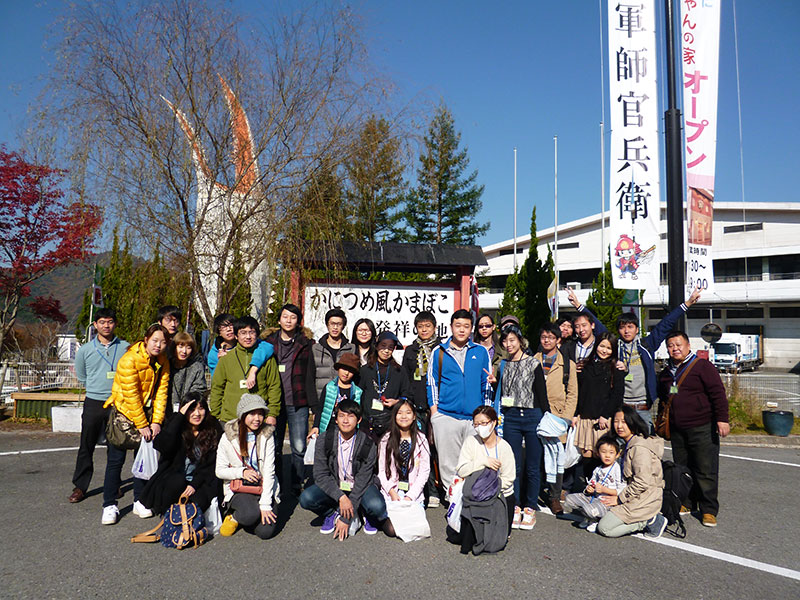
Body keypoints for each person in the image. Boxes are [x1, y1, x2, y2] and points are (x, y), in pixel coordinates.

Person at [568, 286, 702, 430]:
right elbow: (598, 325)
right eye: (622, 327)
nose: (626, 331)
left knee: (645, 444)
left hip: (643, 408)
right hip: (620, 407)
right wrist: (578, 305)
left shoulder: (646, 345)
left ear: (637, 329)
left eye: (630, 327)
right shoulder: (615, 346)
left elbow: (666, 324)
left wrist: (687, 303)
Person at [101, 323, 171, 525]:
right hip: (124, 413)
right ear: (146, 339)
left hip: (147, 415)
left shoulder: (162, 361)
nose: (158, 345)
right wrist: (142, 424)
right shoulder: (129, 359)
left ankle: (140, 500)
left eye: (163, 342)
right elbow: (131, 395)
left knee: (143, 460)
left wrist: (157, 421)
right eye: (155, 340)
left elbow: (161, 393)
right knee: (115, 461)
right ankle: (109, 504)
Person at [658, 331, 729, 527]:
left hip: (702, 426)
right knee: (683, 468)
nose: (675, 348)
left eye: (678, 344)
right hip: (678, 429)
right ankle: (687, 503)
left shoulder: (702, 366)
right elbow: (663, 399)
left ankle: (708, 510)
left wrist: (722, 419)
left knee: (705, 469)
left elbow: (718, 393)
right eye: (671, 345)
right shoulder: (666, 373)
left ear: (688, 346)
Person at [299, 399, 388, 539]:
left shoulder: (368, 444)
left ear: (358, 420)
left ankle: (364, 513)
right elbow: (320, 475)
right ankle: (331, 513)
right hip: (336, 484)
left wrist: (346, 518)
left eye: (351, 416)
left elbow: (363, 480)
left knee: (377, 507)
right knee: (306, 498)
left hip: (360, 486)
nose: (345, 421)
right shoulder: (324, 440)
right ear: (336, 419)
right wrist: (341, 498)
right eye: (341, 416)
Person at [489, 323, 548, 531]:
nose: (508, 344)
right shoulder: (503, 365)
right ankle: (515, 506)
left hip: (532, 415)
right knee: (513, 465)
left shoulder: (533, 363)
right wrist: (494, 382)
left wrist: (546, 418)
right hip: (511, 417)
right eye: (504, 341)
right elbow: (502, 393)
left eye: (512, 339)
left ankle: (530, 507)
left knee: (533, 465)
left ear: (520, 340)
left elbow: (542, 394)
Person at [69, 308, 130, 504]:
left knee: (116, 446)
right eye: (102, 322)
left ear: (115, 324)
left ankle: (114, 484)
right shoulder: (86, 349)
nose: (106, 325)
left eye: (110, 322)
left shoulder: (126, 348)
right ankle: (80, 486)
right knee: (86, 445)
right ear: (95, 325)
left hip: (118, 402)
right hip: (94, 402)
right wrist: (96, 388)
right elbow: (82, 375)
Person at [427, 309, 490, 496]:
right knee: (447, 463)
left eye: (466, 326)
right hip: (446, 416)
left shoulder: (481, 351)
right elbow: (431, 383)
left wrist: (485, 414)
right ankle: (452, 498)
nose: (462, 330)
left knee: (474, 460)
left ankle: (469, 496)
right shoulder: (439, 351)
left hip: (474, 418)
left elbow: (485, 382)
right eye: (458, 326)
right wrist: (435, 413)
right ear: (451, 327)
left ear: (471, 329)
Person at [140, 391, 223, 516]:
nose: (197, 414)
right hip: (175, 477)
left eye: (201, 409)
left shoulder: (213, 429)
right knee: (176, 482)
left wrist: (194, 484)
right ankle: (169, 517)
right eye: (191, 409)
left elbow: (212, 464)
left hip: (200, 479)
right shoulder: (177, 425)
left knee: (197, 504)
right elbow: (162, 445)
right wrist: (179, 416)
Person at [264, 304, 316, 495]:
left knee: (299, 446)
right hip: (273, 402)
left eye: (293, 317)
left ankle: (297, 482)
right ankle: (276, 481)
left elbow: (312, 373)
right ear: (279, 320)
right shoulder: (267, 343)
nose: (288, 320)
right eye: (285, 317)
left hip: (297, 400)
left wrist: (313, 404)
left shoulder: (306, 343)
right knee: (274, 444)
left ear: (298, 321)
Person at [215, 394, 280, 540]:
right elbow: (219, 470)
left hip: (262, 486)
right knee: (250, 514)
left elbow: (269, 471)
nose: (257, 418)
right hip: (239, 488)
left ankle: (249, 516)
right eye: (252, 413)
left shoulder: (267, 435)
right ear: (242, 414)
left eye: (260, 414)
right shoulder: (228, 436)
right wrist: (241, 472)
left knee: (265, 532)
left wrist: (265, 505)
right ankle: (236, 515)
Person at [597, 406, 666, 539]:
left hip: (646, 498)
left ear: (633, 422)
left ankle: (649, 521)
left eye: (624, 422)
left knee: (605, 528)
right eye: (616, 421)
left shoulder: (639, 448)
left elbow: (642, 482)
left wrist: (619, 499)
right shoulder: (628, 443)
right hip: (634, 494)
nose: (619, 426)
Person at [454, 406, 516, 554]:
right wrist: (483, 461)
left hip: (500, 496)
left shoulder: (504, 447)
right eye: (476, 424)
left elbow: (509, 478)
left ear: (493, 422)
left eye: (484, 423)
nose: (480, 427)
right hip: (474, 495)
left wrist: (489, 491)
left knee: (494, 540)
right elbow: (462, 469)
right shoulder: (471, 442)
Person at [533, 322, 578, 513]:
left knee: (556, 457)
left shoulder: (568, 364)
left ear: (558, 340)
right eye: (544, 337)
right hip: (536, 413)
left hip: (557, 415)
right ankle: (535, 491)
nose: (547, 341)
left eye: (551, 337)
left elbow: (572, 393)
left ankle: (554, 496)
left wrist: (566, 418)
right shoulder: (531, 360)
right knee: (537, 455)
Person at [210, 316, 281, 424]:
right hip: (230, 419)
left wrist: (272, 414)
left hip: (258, 419)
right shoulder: (226, 359)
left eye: (251, 332)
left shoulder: (267, 358)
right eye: (243, 333)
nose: (248, 337)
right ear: (236, 336)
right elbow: (217, 388)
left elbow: (274, 386)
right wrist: (216, 414)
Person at [378, 400, 431, 538]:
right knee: (392, 530)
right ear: (394, 416)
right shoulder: (386, 439)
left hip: (413, 493)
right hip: (392, 492)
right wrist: (392, 493)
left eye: (408, 413)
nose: (404, 416)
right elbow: (382, 471)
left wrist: (410, 496)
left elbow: (424, 471)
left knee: (416, 528)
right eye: (399, 413)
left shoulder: (421, 439)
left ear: (414, 416)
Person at [563, 434, 626, 531]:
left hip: (608, 502)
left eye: (611, 452)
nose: (607, 455)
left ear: (617, 454)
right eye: (603, 452)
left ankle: (595, 520)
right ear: (597, 453)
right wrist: (589, 490)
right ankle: (589, 515)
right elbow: (591, 483)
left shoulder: (617, 469)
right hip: (595, 498)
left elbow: (622, 489)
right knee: (569, 499)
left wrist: (605, 490)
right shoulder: (598, 469)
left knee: (588, 510)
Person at [360, 331, 411, 440]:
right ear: (376, 346)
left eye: (390, 347)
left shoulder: (400, 371)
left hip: (390, 422)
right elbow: (359, 394)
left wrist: (396, 402)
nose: (386, 350)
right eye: (383, 346)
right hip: (367, 423)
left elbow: (408, 395)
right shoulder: (365, 370)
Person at [207, 313, 274, 381]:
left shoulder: (246, 342)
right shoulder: (214, 354)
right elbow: (216, 380)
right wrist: (222, 362)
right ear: (219, 332)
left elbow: (268, 347)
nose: (228, 329)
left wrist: (254, 367)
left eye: (231, 325)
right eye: (223, 327)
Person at [310, 352, 363, 436]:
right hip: (329, 427)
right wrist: (316, 426)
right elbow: (320, 409)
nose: (346, 373)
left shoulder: (357, 392)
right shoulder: (329, 387)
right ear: (338, 369)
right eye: (344, 369)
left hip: (347, 429)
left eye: (350, 371)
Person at [312, 308, 356, 398]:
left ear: (343, 326)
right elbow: (310, 378)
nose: (335, 327)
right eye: (332, 324)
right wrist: (314, 404)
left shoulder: (351, 348)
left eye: (339, 324)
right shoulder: (316, 348)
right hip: (321, 399)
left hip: (343, 401)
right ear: (327, 325)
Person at [168, 332, 207, 412]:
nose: (184, 351)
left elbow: (199, 390)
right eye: (180, 346)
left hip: (189, 411)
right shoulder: (167, 365)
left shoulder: (197, 367)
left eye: (188, 347)